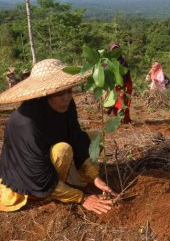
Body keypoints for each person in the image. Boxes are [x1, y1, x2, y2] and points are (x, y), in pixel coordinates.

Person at [0, 59, 117, 214]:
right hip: (29, 179)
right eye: (60, 93)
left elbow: (76, 137)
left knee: (94, 136)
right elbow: (39, 175)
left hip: (49, 160)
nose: (66, 98)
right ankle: (47, 195)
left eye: (69, 91)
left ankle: (70, 183)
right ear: (44, 94)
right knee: (63, 150)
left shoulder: (67, 105)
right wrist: (82, 198)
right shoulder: (25, 123)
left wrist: (94, 176)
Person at [107, 42, 133, 124]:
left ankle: (124, 119)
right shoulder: (108, 61)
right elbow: (105, 71)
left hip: (123, 84)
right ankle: (117, 119)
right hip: (112, 85)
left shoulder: (123, 62)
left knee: (123, 102)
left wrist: (121, 84)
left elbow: (125, 75)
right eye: (113, 50)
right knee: (114, 102)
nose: (115, 51)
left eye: (117, 49)